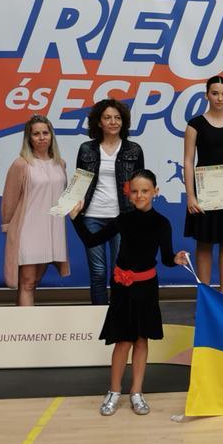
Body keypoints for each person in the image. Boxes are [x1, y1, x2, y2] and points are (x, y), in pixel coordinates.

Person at [69, 170, 189, 416]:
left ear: (156, 192)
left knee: (141, 339)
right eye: (134, 191)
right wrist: (76, 219)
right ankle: (114, 390)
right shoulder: (123, 220)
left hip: (147, 288)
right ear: (129, 193)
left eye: (145, 191)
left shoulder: (162, 224)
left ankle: (136, 391)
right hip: (123, 288)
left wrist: (176, 258)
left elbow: (165, 258)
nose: (140, 195)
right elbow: (93, 241)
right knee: (122, 340)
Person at [183, 75, 223, 296]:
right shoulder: (195, 125)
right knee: (204, 241)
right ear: (207, 95)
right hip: (204, 188)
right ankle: (206, 295)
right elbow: (188, 161)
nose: (220, 98)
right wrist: (190, 195)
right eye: (215, 93)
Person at [76, 99, 145, 305]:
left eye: (117, 118)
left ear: (123, 122)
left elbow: (140, 186)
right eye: (107, 118)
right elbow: (79, 181)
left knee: (120, 272)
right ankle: (98, 318)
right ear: (99, 122)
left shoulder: (134, 149)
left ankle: (118, 320)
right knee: (97, 272)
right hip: (92, 217)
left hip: (122, 217)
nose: (113, 122)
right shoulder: (86, 148)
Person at [1, 115, 70, 305]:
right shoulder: (21, 164)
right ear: (29, 138)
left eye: (45, 133)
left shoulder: (60, 163)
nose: (42, 137)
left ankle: (26, 325)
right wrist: (8, 226)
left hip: (52, 231)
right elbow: (9, 199)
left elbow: (61, 198)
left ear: (51, 136)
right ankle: (25, 332)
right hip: (28, 231)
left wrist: (73, 204)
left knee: (35, 282)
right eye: (36, 134)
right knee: (28, 283)